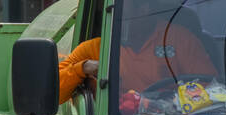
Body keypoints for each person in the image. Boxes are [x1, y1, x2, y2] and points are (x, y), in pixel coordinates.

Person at [57, 7, 216, 109]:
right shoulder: (94, 49)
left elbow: (209, 89)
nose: (131, 17)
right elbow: (53, 92)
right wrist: (82, 69)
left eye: (140, 8)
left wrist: (169, 104)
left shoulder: (179, 39)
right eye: (125, 9)